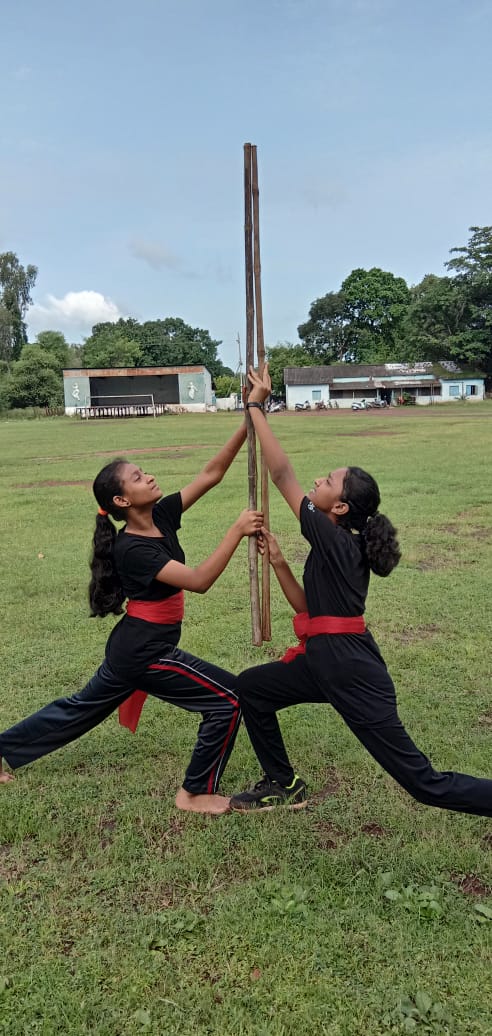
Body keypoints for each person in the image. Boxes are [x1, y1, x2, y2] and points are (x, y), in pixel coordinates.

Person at [229, 365, 492, 817]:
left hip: (350, 670)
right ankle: (284, 782)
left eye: (327, 483)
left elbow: (282, 475)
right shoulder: (337, 545)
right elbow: (310, 610)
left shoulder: (333, 539)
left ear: (341, 507)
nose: (318, 483)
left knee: (423, 783)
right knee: (253, 688)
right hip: (327, 659)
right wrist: (279, 563)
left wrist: (257, 406)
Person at [0, 423, 263, 814]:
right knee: (229, 699)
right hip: (145, 651)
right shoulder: (132, 549)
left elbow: (211, 474)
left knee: (79, 708)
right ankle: (194, 793)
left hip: (133, 646)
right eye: (138, 477)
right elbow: (199, 581)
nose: (149, 476)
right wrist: (236, 530)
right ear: (122, 501)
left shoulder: (161, 515)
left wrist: (249, 420)